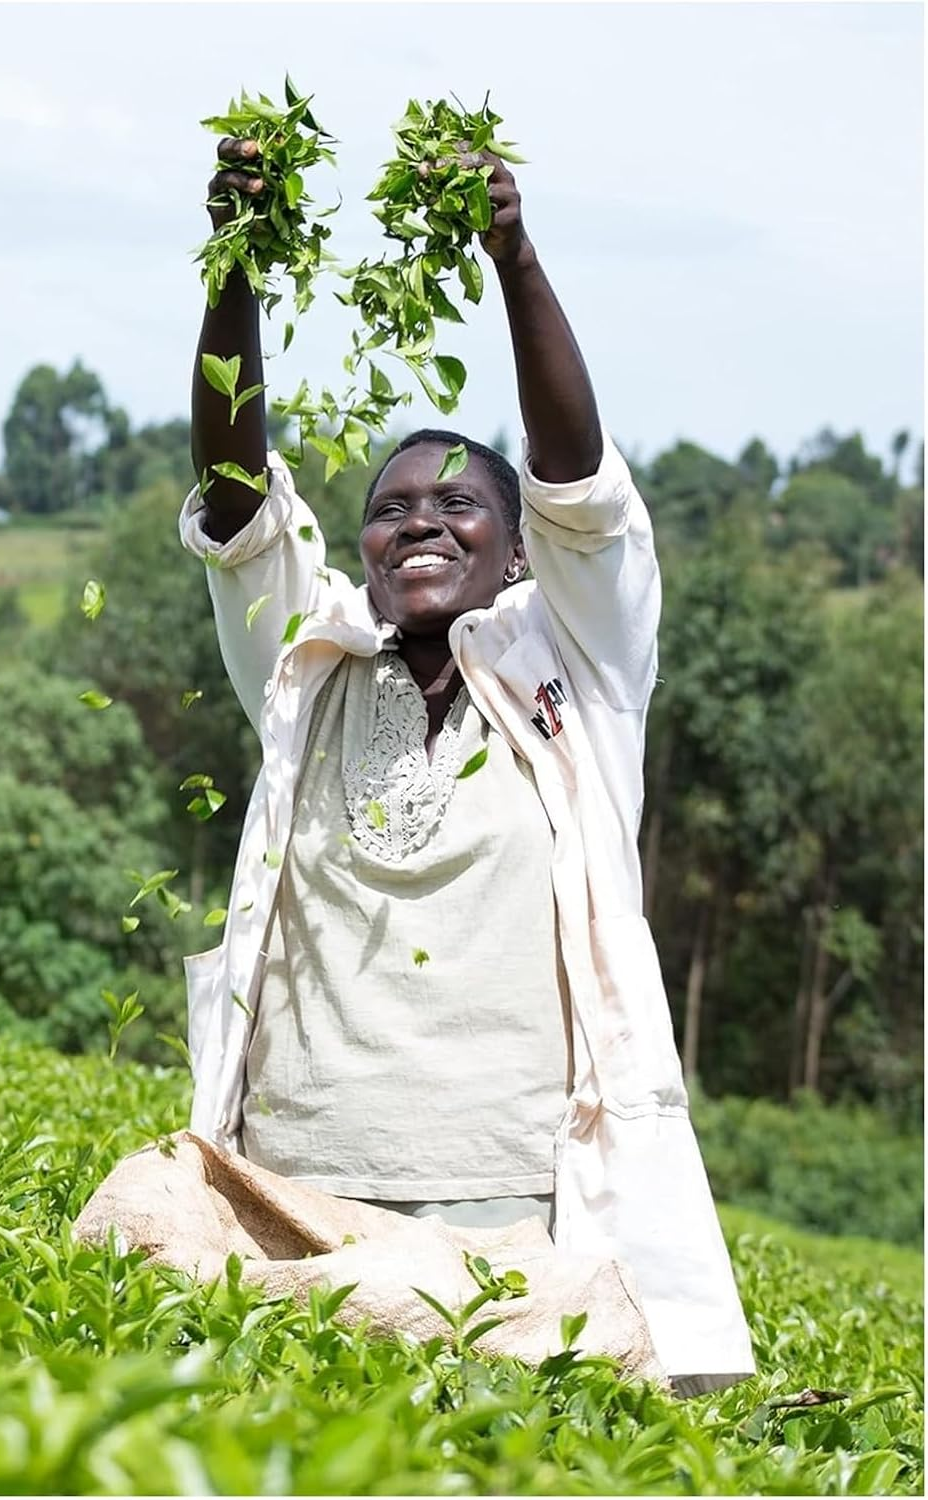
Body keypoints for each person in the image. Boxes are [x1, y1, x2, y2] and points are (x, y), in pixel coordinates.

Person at [179, 135, 754, 1395]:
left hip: (508, 1198)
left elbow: (580, 484)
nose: (417, 521)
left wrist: (514, 257)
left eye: (458, 506)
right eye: (390, 507)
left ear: (516, 557)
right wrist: (239, 262)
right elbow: (234, 503)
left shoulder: (572, 678)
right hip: (297, 1175)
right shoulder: (309, 669)